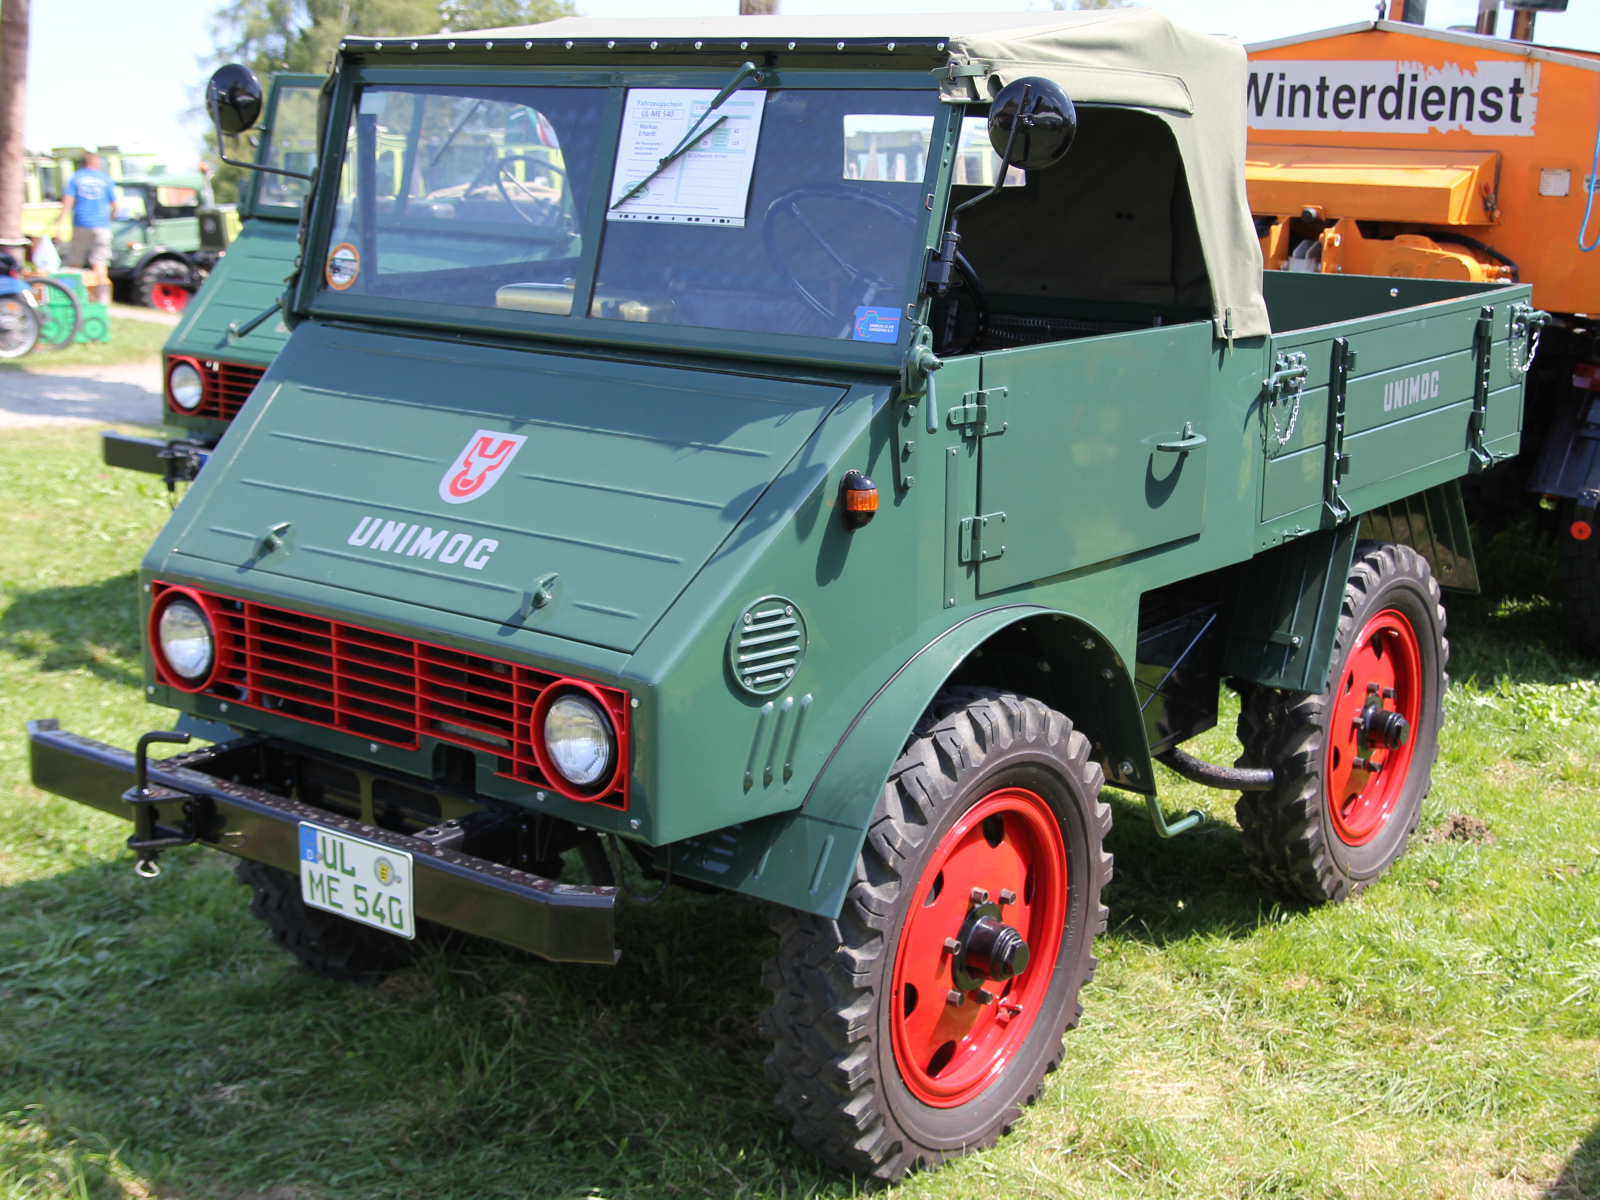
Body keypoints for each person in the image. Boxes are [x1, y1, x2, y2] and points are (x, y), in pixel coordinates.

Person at [53, 152, 114, 303]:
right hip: (101, 226)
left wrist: (59, 225)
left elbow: (67, 201)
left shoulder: (76, 178)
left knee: (76, 263)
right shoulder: (106, 179)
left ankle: (76, 299)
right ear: (94, 161)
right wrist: (108, 219)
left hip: (81, 223)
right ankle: (102, 302)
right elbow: (116, 206)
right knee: (100, 263)